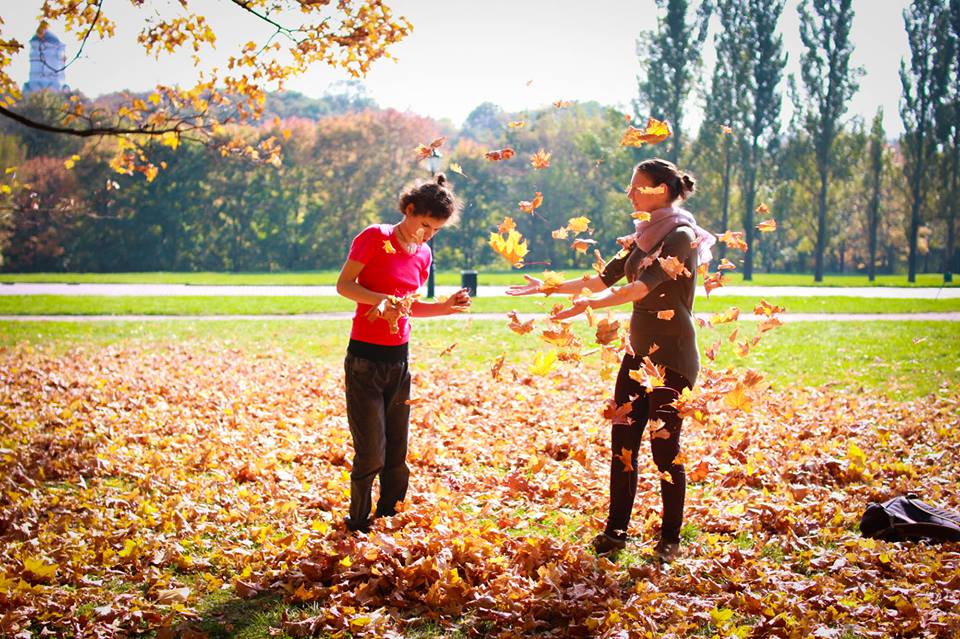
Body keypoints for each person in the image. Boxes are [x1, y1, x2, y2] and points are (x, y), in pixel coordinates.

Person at [507, 158, 715, 561]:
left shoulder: (680, 236)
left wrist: (593, 302)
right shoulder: (645, 236)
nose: (630, 193)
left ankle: (670, 537)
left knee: (664, 449)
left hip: (671, 356)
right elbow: (602, 280)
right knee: (623, 443)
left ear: (664, 190)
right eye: (630, 186)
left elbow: (638, 288)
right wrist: (548, 289)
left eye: (638, 186)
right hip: (637, 355)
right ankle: (616, 532)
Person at [336, 173, 471, 533]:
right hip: (365, 359)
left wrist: (444, 307)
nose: (427, 235)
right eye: (424, 224)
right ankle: (358, 522)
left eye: (436, 230)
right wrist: (383, 301)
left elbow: (410, 307)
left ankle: (390, 518)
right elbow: (344, 285)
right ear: (409, 210)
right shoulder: (374, 238)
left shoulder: (423, 254)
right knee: (372, 452)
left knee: (397, 451)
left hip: (399, 361)